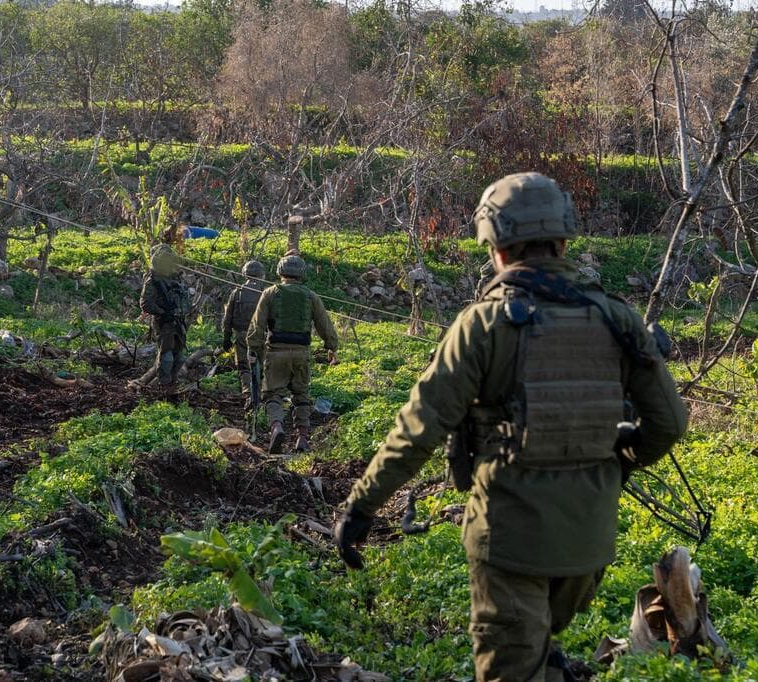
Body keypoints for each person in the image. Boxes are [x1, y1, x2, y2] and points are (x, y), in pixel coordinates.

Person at [334, 172, 688, 681]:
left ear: (495, 247)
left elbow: (419, 428)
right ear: (564, 239)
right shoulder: (618, 319)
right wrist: (620, 459)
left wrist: (362, 506)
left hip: (510, 540)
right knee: (539, 650)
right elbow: (669, 424)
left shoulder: (484, 325)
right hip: (587, 544)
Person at [248, 253, 339, 454]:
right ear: (301, 274)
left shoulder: (270, 293)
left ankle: (277, 427)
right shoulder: (311, 296)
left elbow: (257, 326)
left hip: (276, 352)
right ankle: (302, 438)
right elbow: (325, 325)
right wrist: (332, 346)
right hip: (301, 353)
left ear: (280, 271)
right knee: (301, 395)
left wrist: (253, 348)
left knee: (272, 394)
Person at [139, 243, 190, 391]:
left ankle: (173, 382)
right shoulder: (153, 281)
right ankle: (164, 384)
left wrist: (182, 311)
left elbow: (186, 300)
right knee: (167, 355)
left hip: (179, 322)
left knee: (179, 356)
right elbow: (145, 303)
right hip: (164, 322)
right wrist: (162, 312)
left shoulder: (177, 279)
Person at [222, 260, 267, 409]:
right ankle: (260, 395)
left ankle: (249, 395)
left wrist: (226, 338)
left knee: (244, 367)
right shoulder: (265, 293)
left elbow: (227, 318)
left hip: (241, 336)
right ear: (261, 275)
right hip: (261, 336)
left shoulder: (237, 292)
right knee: (260, 366)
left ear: (244, 273)